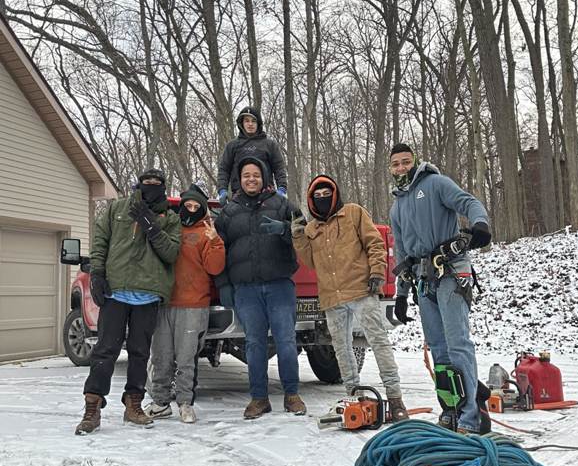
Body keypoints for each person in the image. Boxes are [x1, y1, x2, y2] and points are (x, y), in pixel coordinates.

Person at [389, 144, 491, 435]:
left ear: (415, 162)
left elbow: (469, 203)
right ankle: (451, 410)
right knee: (438, 349)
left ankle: (471, 418)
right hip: (423, 280)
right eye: (395, 164)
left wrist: (481, 224)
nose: (401, 168)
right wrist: (400, 293)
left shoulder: (435, 184)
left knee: (458, 343)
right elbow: (401, 252)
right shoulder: (397, 207)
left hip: (451, 272)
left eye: (406, 162)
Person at [291, 175, 409, 420]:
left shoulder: (354, 213)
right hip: (332, 297)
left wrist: (377, 272)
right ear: (311, 200)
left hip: (361, 290)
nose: (322, 199)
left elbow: (374, 244)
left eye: (327, 194)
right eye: (317, 196)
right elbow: (311, 261)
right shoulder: (312, 229)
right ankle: (354, 396)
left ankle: (395, 397)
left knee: (378, 341)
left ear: (335, 194)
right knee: (342, 348)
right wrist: (298, 237)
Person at [75, 169, 182, 435]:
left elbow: (171, 253)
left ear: (164, 187)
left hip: (148, 294)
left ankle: (133, 405)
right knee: (105, 350)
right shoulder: (118, 209)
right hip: (116, 290)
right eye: (147, 183)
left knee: (140, 353)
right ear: (138, 184)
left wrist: (151, 226)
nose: (151, 187)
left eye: (157, 184)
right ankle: (92, 407)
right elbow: (101, 240)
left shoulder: (170, 218)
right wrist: (97, 272)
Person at [214, 156, 306, 419]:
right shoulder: (229, 212)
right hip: (246, 289)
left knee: (286, 341)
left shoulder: (282, 204)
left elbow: (304, 231)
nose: (251, 179)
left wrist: (285, 229)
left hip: (280, 285)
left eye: (256, 174)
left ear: (264, 177)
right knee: (254, 344)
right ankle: (259, 398)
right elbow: (217, 249)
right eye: (246, 175)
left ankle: (292, 395)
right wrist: (223, 283)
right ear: (239, 180)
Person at [145, 184, 226, 424]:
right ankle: (160, 403)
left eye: (196, 207)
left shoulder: (207, 232)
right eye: (187, 206)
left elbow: (215, 268)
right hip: (164, 303)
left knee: (186, 359)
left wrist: (215, 241)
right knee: (160, 356)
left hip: (193, 305)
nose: (191, 210)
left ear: (203, 209)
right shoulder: (169, 228)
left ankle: (185, 404)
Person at [217, 106, 287, 205]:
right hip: (239, 196)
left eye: (253, 121)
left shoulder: (269, 145)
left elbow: (279, 168)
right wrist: (222, 190)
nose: (250, 124)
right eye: (247, 121)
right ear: (242, 123)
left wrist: (282, 188)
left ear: (258, 123)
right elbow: (224, 169)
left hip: (266, 195)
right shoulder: (232, 146)